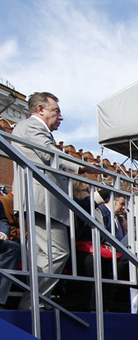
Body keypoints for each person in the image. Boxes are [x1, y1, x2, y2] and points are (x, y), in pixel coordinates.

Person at [11, 92, 81, 305]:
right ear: (40, 109)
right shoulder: (32, 126)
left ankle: (36, 303)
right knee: (58, 252)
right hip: (41, 201)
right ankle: (33, 303)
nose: (60, 117)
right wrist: (83, 167)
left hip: (43, 202)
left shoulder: (37, 130)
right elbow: (50, 154)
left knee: (42, 255)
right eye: (56, 111)